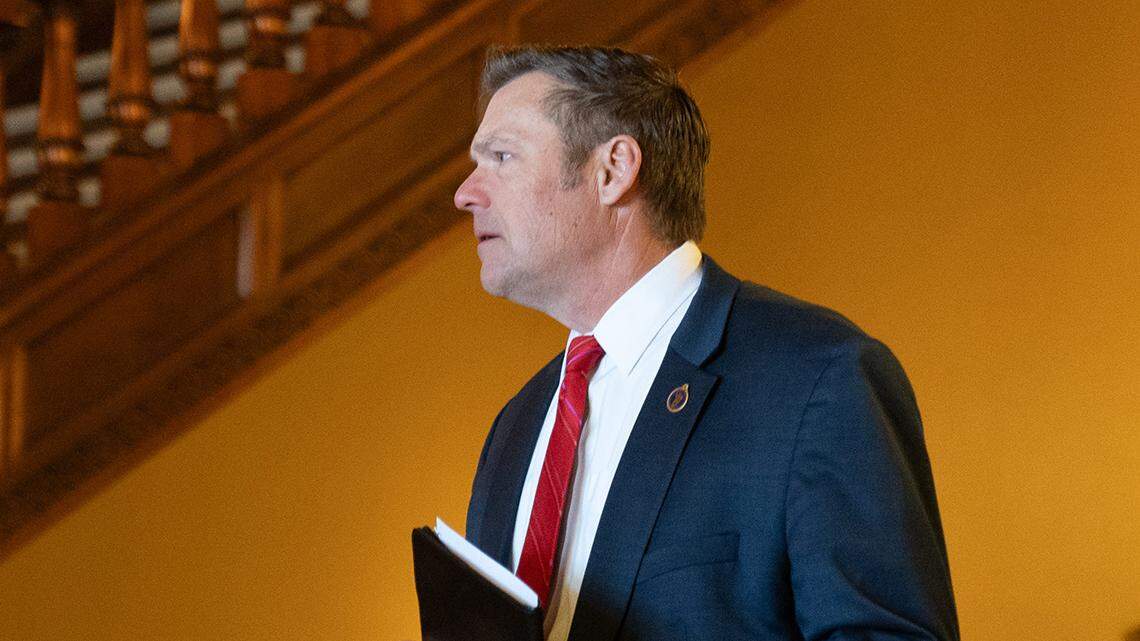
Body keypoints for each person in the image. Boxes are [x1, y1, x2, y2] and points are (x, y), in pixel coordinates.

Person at [454, 45, 959, 641]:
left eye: (502, 157)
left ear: (612, 170)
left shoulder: (818, 379)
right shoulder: (516, 427)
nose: (465, 194)